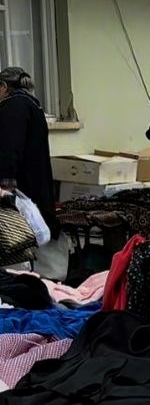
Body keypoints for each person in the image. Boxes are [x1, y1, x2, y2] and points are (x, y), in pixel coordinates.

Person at [0, 67, 62, 278]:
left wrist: (5, 186)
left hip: (20, 185)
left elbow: (9, 148)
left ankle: (22, 280)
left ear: (3, 87)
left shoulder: (12, 106)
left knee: (17, 235)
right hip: (36, 182)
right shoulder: (33, 105)